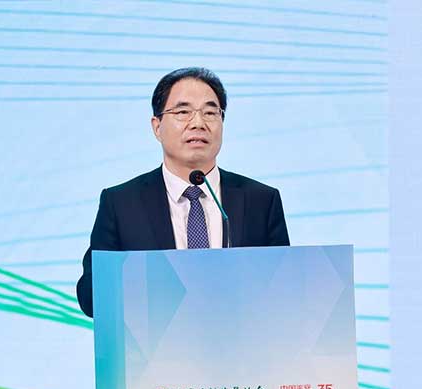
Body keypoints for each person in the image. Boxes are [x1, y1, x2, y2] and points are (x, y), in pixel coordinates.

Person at [75, 67, 291, 318]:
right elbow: (91, 298)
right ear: (157, 126)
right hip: (154, 341)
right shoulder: (121, 204)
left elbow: (285, 291)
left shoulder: (261, 201)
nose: (198, 123)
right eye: (182, 112)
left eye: (210, 112)